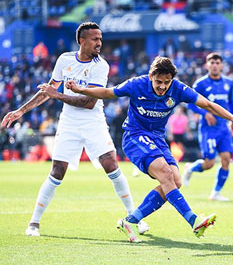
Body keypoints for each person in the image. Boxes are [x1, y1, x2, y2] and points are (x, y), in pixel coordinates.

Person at [62, 56, 233, 242]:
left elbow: (207, 104)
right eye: (159, 82)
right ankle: (194, 220)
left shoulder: (178, 88)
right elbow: (108, 93)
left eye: (167, 82)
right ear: (150, 76)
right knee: (165, 172)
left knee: (175, 181)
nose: (163, 87)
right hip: (134, 136)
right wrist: (80, 89)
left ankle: (130, 221)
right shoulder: (136, 84)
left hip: (157, 139)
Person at [1, 22, 148, 237]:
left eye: (100, 39)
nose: (100, 43)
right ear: (82, 40)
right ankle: (34, 223)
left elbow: (89, 102)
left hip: (93, 121)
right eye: (95, 39)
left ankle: (134, 218)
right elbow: (48, 91)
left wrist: (57, 95)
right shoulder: (64, 60)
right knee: (57, 171)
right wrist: (20, 111)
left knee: (111, 164)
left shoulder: (101, 66)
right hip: (68, 123)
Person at [182, 52, 233, 201]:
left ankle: (215, 193)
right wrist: (205, 113)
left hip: (223, 128)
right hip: (208, 129)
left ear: (222, 65)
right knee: (209, 163)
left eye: (218, 63)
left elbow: (230, 102)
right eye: (212, 63)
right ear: (207, 65)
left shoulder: (228, 83)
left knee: (226, 159)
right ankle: (190, 168)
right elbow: (190, 103)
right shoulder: (200, 84)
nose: (215, 65)